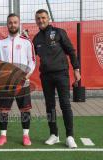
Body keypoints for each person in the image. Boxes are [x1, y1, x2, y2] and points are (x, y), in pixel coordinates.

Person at [33, 9, 81, 148]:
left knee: (65, 104)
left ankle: (70, 136)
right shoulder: (36, 39)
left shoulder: (59, 32)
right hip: (46, 76)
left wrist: (76, 69)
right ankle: (54, 134)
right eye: (38, 18)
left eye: (43, 18)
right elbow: (30, 57)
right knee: (49, 106)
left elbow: (71, 51)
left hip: (61, 74)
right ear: (36, 21)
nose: (41, 20)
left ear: (48, 19)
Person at [0, 13, 36, 146]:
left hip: (23, 82)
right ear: (7, 24)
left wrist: (25, 76)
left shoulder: (27, 42)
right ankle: (3, 136)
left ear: (19, 23)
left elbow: (32, 62)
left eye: (15, 22)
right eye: (10, 22)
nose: (12, 25)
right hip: (5, 83)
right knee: (3, 110)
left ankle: (26, 136)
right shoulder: (0, 43)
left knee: (25, 109)